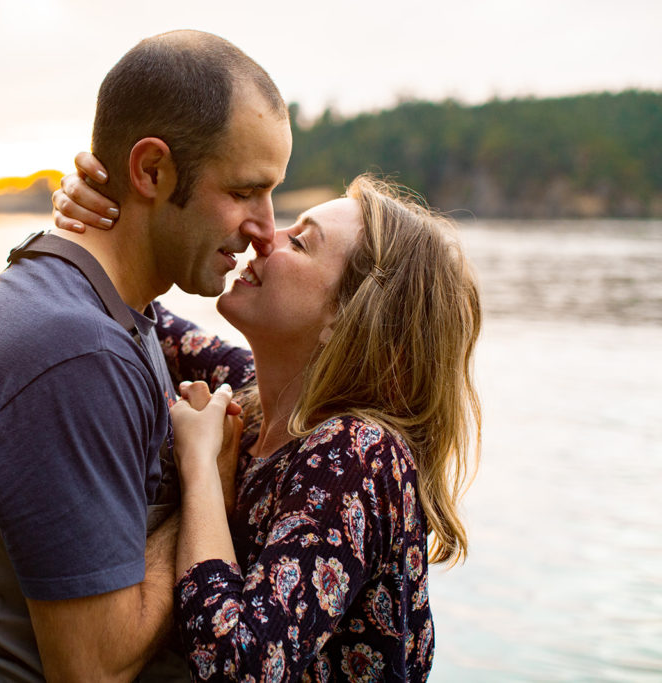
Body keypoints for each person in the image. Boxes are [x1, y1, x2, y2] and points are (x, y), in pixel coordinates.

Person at [0, 30, 291, 682]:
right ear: (152, 171)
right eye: (244, 191)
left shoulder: (113, 312)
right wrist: (207, 481)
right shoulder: (73, 353)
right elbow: (93, 668)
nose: (266, 230)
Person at [54, 165, 482, 680]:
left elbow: (239, 667)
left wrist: (202, 470)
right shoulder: (256, 399)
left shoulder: (360, 454)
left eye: (299, 242)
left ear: (345, 317)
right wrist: (99, 214)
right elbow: (133, 305)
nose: (263, 237)